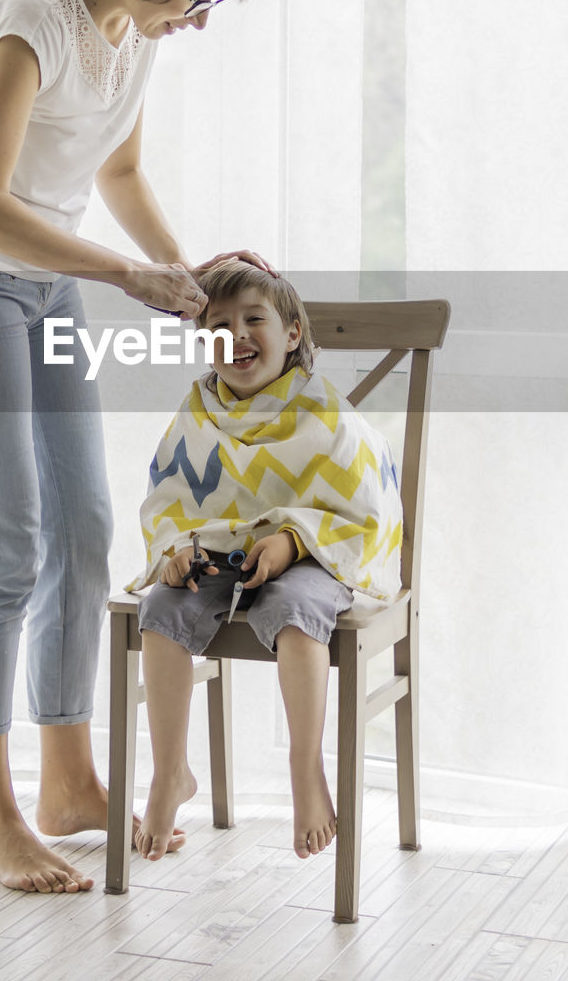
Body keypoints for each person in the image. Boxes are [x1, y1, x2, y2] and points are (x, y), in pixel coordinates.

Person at [0, 0, 270, 894]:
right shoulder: (35, 18)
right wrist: (123, 273)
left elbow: (118, 173)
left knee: (84, 528)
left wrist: (187, 277)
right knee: (6, 540)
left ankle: (68, 781)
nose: (200, 19)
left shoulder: (131, 38)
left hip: (47, 287)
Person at [129, 262, 403, 863]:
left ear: (294, 333)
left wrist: (292, 540)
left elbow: (360, 504)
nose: (237, 334)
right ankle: (169, 771)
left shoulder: (322, 409)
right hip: (220, 549)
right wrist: (177, 550)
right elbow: (170, 493)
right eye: (219, 325)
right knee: (161, 607)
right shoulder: (200, 408)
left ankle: (305, 768)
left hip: (312, 558)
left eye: (255, 319)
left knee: (293, 606)